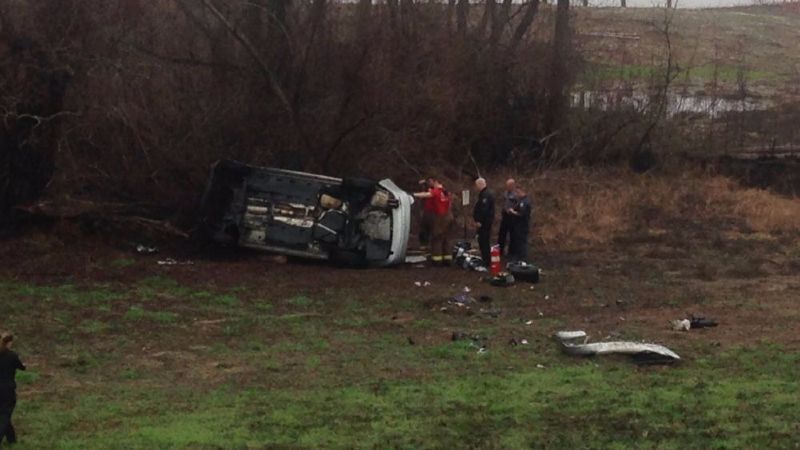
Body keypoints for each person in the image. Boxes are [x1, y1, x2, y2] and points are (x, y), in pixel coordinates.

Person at [414, 179, 454, 265]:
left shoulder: (436, 191)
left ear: (436, 182)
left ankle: (437, 260)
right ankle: (448, 259)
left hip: (440, 218)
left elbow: (426, 195)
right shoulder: (446, 192)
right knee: (446, 239)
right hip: (449, 217)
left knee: (437, 239)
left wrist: (413, 195)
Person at [0, 333, 25, 446]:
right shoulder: (12, 355)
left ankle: (11, 439)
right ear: (9, 343)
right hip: (7, 390)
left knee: (4, 414)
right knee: (5, 415)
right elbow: (22, 367)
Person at [472, 177, 495, 266]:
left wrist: (479, 221)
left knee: (484, 241)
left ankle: (486, 261)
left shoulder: (485, 195)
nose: (476, 187)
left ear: (480, 185)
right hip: (485, 222)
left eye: (476, 185)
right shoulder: (484, 194)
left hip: (484, 223)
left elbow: (483, 210)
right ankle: (485, 259)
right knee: (482, 241)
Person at [508, 187, 532, 262]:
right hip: (517, 225)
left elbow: (522, 214)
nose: (517, 194)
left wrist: (513, 212)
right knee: (517, 241)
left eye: (518, 192)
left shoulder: (525, 202)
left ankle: (522, 258)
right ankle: (518, 256)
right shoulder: (520, 201)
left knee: (522, 242)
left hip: (522, 225)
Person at [497, 178, 517, 256]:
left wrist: (513, 210)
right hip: (505, 215)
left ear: (512, 185)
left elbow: (518, 205)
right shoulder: (505, 193)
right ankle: (500, 250)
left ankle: (511, 252)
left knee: (512, 234)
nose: (507, 187)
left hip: (512, 216)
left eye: (509, 186)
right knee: (502, 234)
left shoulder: (516, 194)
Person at [416, 178, 436, 249]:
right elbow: (421, 195)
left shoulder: (435, 190)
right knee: (424, 228)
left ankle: (430, 244)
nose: (429, 183)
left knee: (432, 229)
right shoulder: (425, 188)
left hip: (433, 212)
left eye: (430, 181)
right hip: (426, 211)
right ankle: (423, 244)